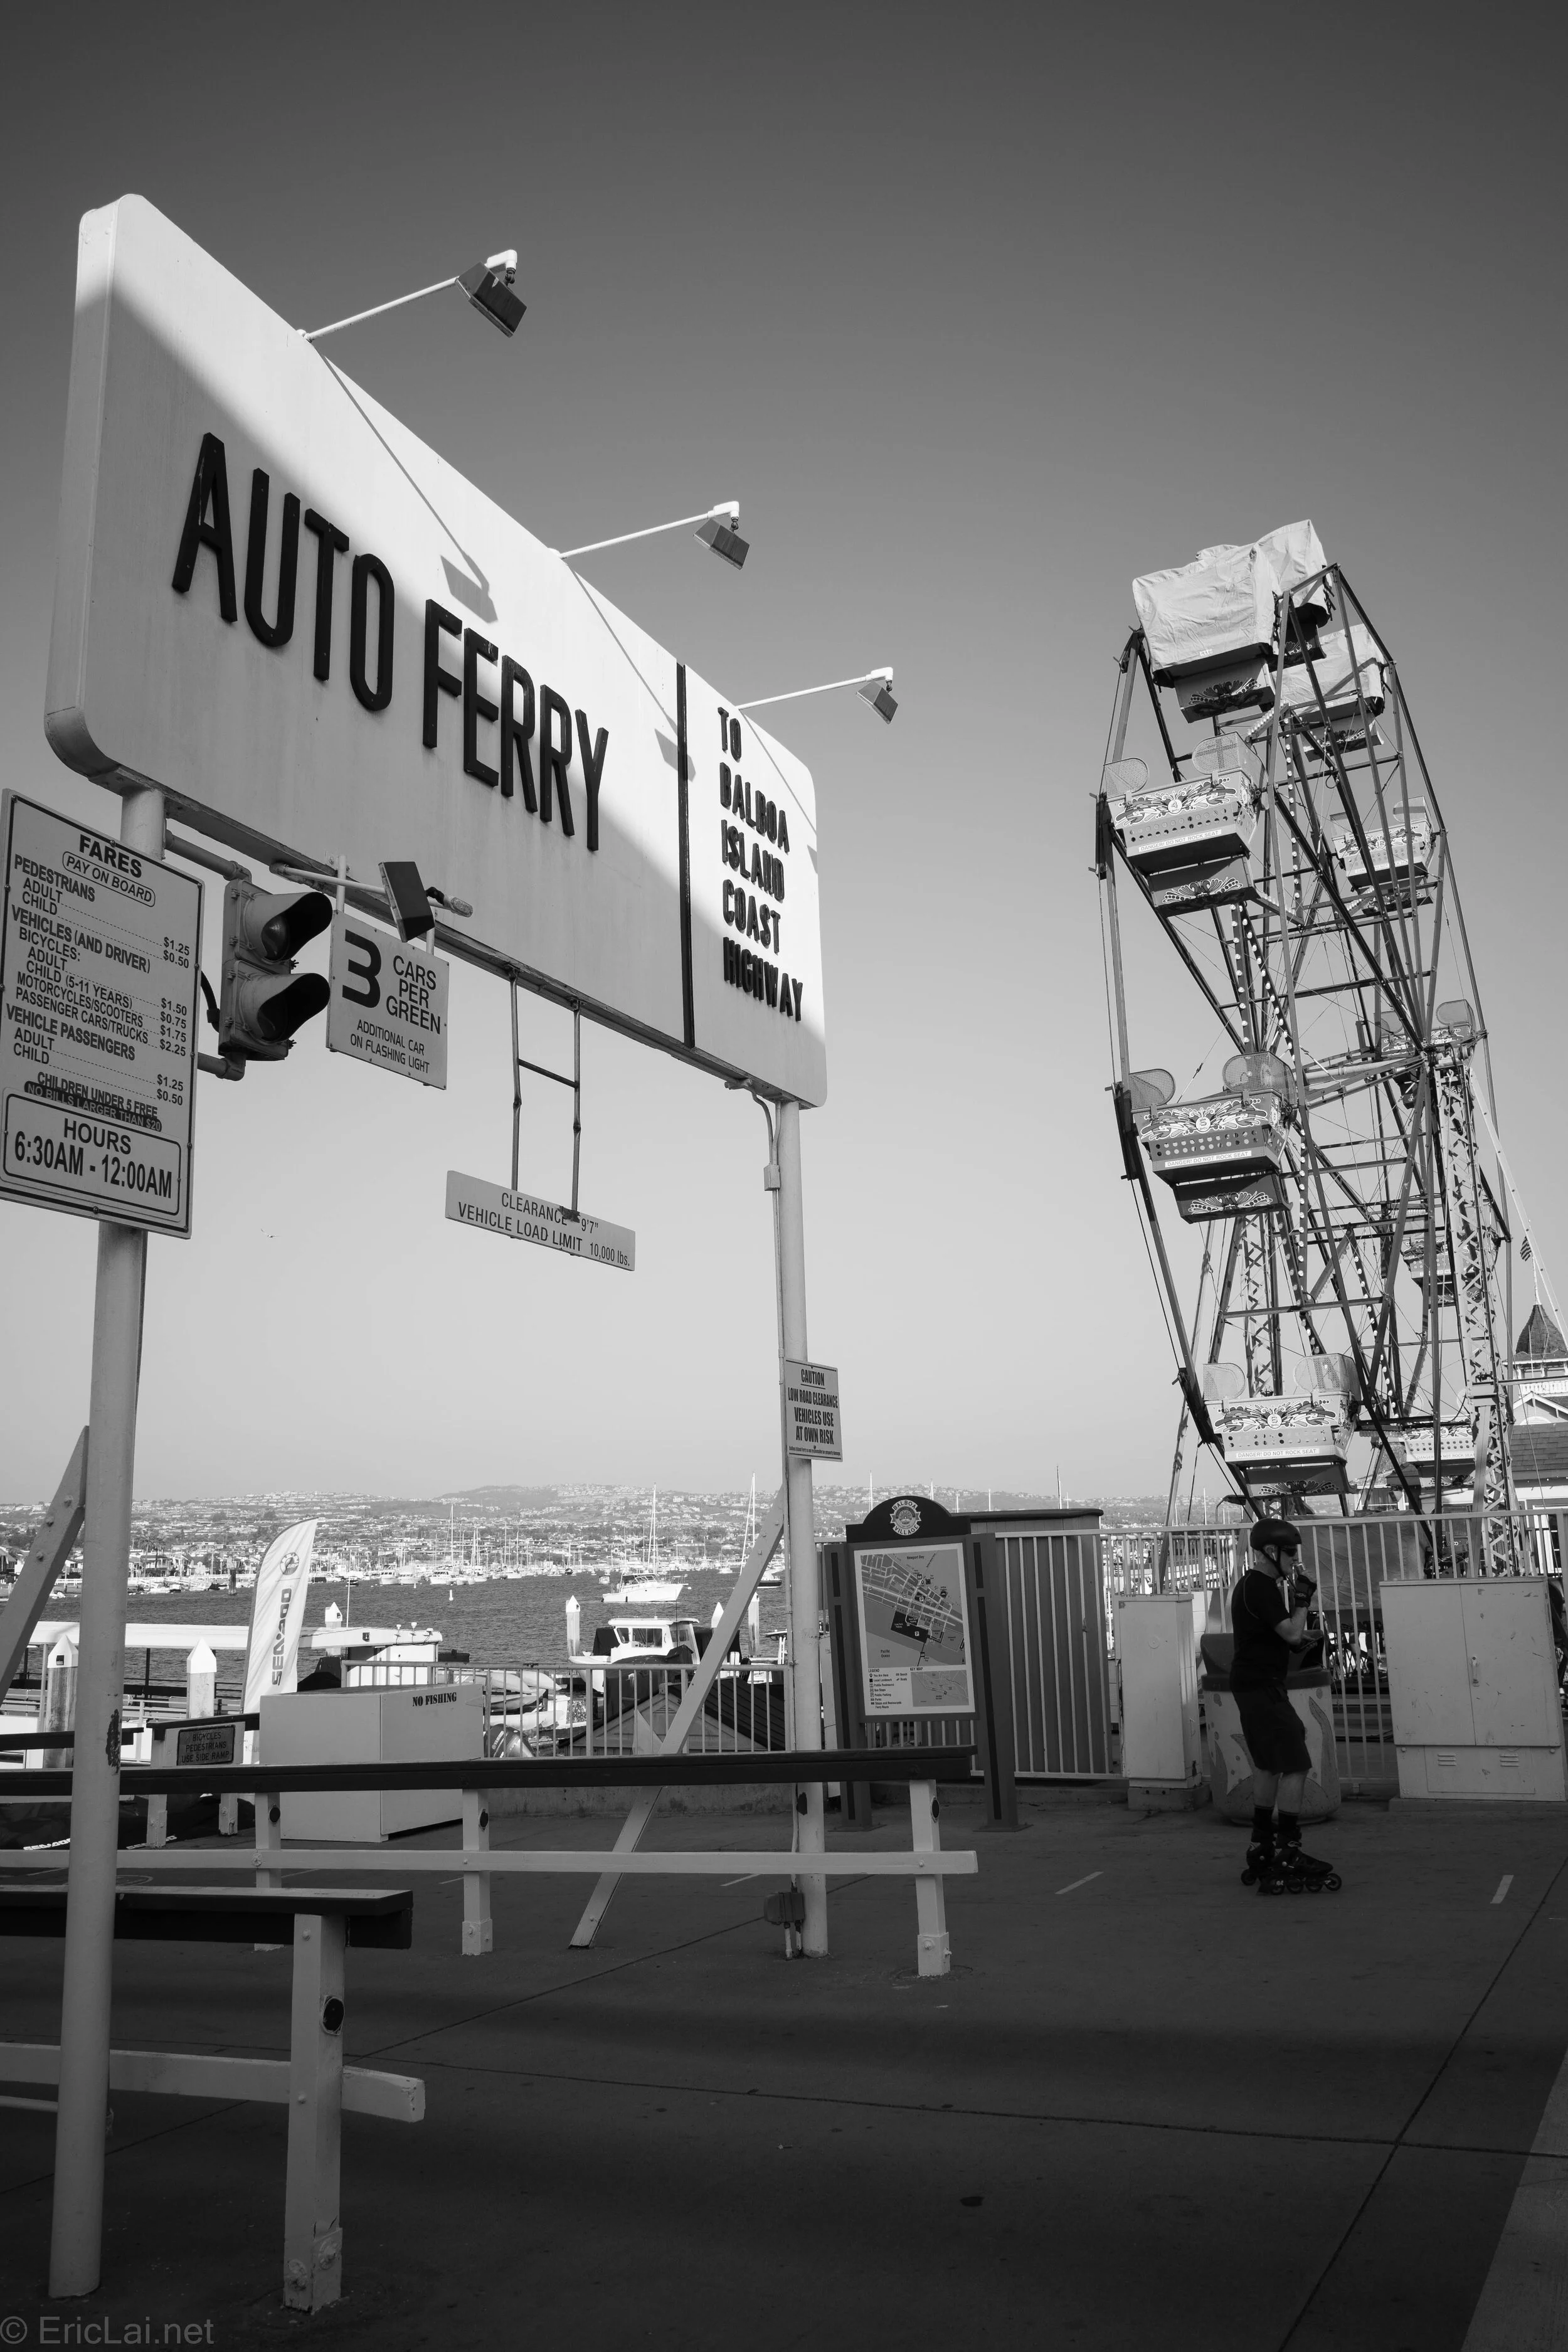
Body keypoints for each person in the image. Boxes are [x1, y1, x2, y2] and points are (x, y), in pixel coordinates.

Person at [1230, 1517, 1336, 1891]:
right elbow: (1289, 1632)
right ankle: (1288, 1849)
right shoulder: (1260, 1586)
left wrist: (1299, 1633)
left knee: (1268, 1765)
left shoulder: (1255, 1585)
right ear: (1271, 1552)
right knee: (1295, 1763)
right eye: (1291, 1552)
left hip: (1252, 1685)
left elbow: (1281, 1635)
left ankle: (1261, 1844)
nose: (1295, 1559)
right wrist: (1304, 1601)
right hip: (1262, 1688)